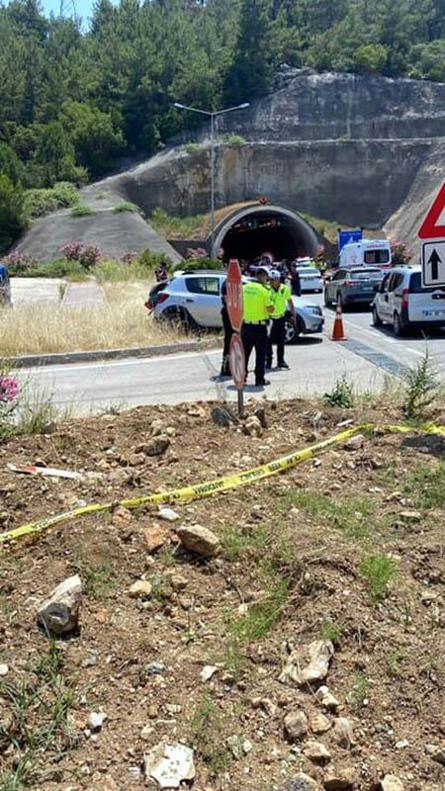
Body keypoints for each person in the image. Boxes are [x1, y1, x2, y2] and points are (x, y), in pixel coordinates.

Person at [241, 267, 274, 387]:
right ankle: (259, 379)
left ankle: (242, 378)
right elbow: (270, 308)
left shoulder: (244, 288)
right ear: (265, 277)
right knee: (260, 355)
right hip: (260, 328)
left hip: (245, 326)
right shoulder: (264, 291)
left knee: (244, 354)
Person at [266, 269, 296, 370]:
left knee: (281, 340)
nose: (271, 281)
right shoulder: (267, 289)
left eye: (274, 279)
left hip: (281, 318)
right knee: (268, 341)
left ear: (278, 279)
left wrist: (293, 314)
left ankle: (280, 361)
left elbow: (289, 301)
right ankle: (268, 361)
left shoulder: (284, 288)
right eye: (270, 279)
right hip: (270, 319)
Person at [219, 278, 233, 377]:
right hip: (229, 314)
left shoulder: (234, 282)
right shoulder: (227, 283)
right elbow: (226, 298)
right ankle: (226, 368)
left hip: (232, 314)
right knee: (229, 341)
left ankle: (231, 367)